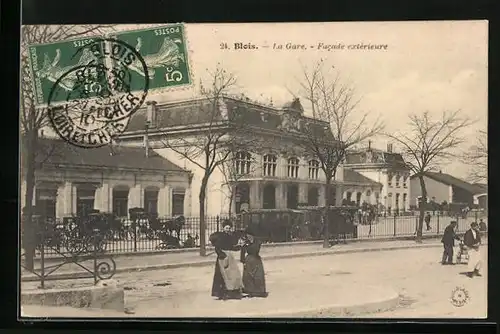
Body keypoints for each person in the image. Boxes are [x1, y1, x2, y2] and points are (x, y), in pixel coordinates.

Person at [209, 220, 243, 300]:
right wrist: (221, 254)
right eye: (226, 228)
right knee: (221, 275)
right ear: (223, 228)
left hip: (229, 256)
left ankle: (231, 292)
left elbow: (231, 246)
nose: (228, 229)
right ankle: (220, 293)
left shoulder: (230, 236)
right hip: (222, 257)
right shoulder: (220, 236)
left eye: (229, 228)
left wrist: (239, 247)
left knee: (232, 274)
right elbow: (217, 247)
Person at [240, 226, 268, 298]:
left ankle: (259, 291)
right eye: (247, 235)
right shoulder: (246, 242)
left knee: (257, 275)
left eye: (249, 235)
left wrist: (247, 245)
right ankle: (249, 291)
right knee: (248, 276)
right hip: (248, 259)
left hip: (255, 259)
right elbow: (242, 252)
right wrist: (243, 261)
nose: (248, 236)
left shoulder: (257, 241)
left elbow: (255, 250)